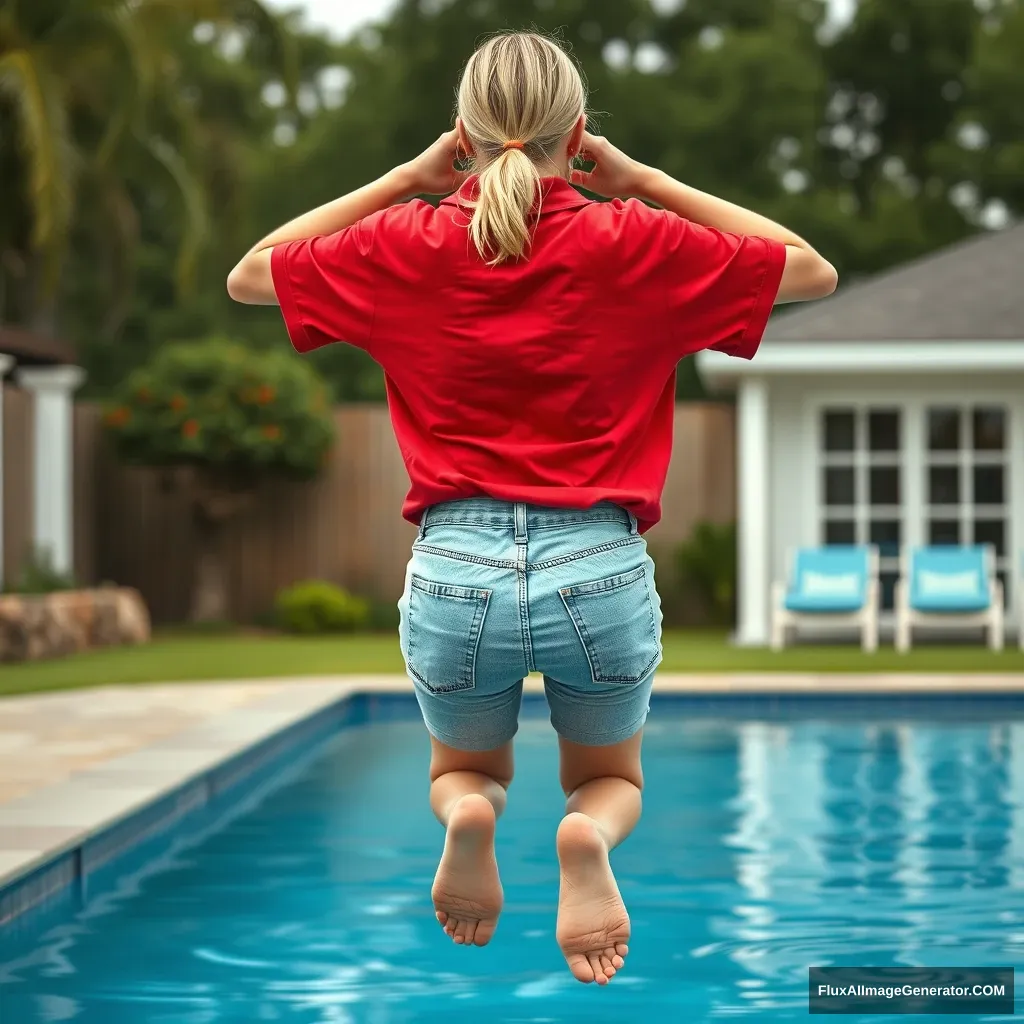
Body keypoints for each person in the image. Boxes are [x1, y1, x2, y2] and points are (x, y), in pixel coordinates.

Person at [227, 30, 837, 985]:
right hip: (597, 564)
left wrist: (404, 181)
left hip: (455, 564)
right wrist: (643, 183)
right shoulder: (635, 241)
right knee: (607, 778)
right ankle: (585, 837)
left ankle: (471, 818)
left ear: (461, 139)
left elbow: (254, 272)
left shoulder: (408, 243)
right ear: (580, 132)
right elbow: (805, 267)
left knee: (463, 772)